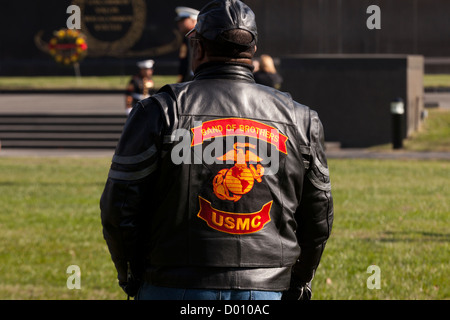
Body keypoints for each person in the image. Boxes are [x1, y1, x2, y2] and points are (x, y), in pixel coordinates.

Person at [101, 0, 333, 301]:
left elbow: (119, 208)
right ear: (252, 51)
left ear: (198, 47)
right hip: (269, 287)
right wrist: (298, 278)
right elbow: (318, 216)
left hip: (171, 284)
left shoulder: (159, 111)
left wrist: (131, 274)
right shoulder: (300, 118)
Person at [175, 6, 199, 82]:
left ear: (193, 21)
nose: (179, 24)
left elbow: (190, 62)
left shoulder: (196, 38)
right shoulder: (188, 37)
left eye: (183, 20)